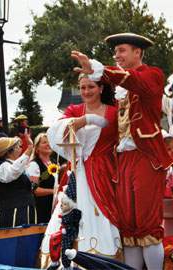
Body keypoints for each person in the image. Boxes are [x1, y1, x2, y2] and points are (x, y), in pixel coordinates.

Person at [71, 32, 173, 270]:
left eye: (122, 50)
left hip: (146, 156)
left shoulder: (153, 75)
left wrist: (98, 67)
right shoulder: (119, 85)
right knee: (128, 225)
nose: (117, 55)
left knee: (148, 225)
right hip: (123, 159)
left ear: (138, 52)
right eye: (115, 52)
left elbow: (133, 81)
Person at [43, 72, 120, 261]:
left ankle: (103, 258)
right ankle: (65, 257)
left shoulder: (114, 111)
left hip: (106, 171)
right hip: (78, 170)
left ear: (101, 88)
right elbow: (57, 131)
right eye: (83, 87)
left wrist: (83, 122)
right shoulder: (74, 110)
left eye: (91, 87)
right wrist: (81, 121)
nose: (86, 91)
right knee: (69, 212)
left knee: (104, 214)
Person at [0, 135, 36, 228]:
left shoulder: (11, 165)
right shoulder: (3, 166)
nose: (20, 149)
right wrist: (29, 149)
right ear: (9, 151)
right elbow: (13, 172)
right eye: (18, 147)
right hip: (13, 212)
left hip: (22, 210)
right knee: (15, 239)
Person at [26, 133, 55, 224]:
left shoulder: (53, 163)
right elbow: (35, 190)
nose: (48, 144)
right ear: (37, 148)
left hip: (53, 206)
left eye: (49, 142)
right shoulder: (34, 165)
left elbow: (46, 178)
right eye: (44, 142)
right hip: (41, 208)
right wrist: (54, 191)